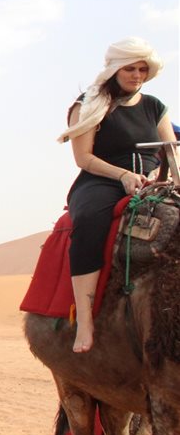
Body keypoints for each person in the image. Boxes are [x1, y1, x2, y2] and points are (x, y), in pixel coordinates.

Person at [57, 37, 174, 353]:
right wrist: (122, 175)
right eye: (130, 69)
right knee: (90, 222)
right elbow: (84, 158)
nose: (137, 75)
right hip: (102, 180)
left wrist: (163, 178)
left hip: (153, 179)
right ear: (113, 70)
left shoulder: (154, 107)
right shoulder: (89, 105)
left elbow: (170, 151)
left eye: (142, 69)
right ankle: (84, 319)